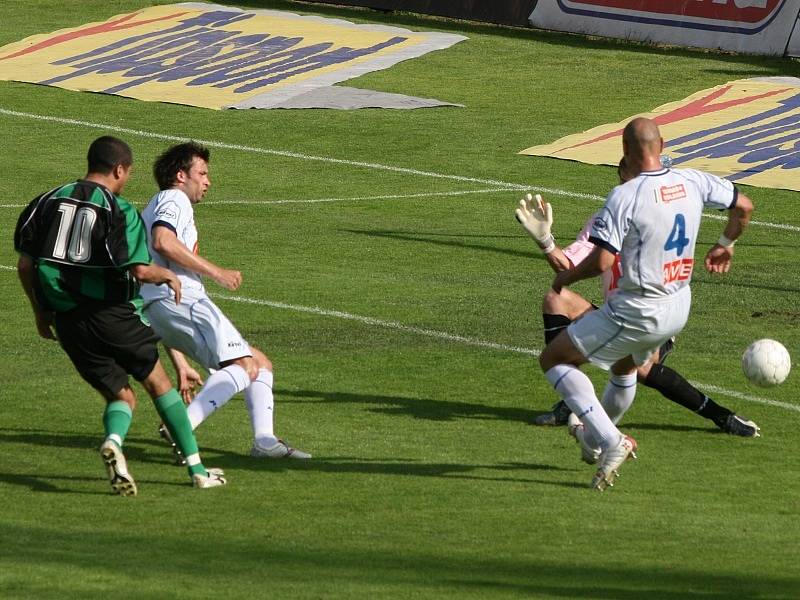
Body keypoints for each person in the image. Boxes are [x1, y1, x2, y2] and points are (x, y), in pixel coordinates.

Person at [533, 118, 753, 490]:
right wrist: (725, 243)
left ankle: (610, 440)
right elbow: (743, 205)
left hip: (636, 310)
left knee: (554, 359)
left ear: (624, 151)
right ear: (663, 144)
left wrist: (565, 277)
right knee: (623, 368)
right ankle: (590, 440)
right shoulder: (692, 180)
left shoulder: (625, 196)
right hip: (678, 306)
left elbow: (602, 261)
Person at [13, 136, 226, 495]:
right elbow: (141, 271)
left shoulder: (46, 200)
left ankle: (114, 441)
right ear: (119, 169)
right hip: (114, 314)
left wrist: (39, 314)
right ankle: (198, 470)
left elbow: (25, 265)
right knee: (159, 385)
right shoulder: (118, 209)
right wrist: (168, 274)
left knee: (121, 397)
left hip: (68, 320)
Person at [139, 142, 310, 460]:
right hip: (182, 299)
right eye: (201, 173)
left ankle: (265, 441)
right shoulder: (173, 199)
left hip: (162, 305)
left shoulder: (159, 203)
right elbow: (164, 241)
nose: (207, 181)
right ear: (181, 175)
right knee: (245, 366)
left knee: (259, 363)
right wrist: (217, 272)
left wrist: (179, 362)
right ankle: (181, 427)